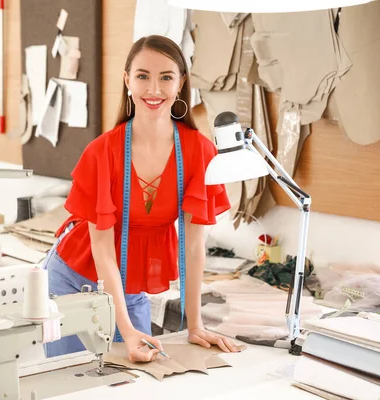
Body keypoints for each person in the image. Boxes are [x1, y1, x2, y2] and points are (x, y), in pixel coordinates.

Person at [42, 35, 239, 362]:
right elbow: (102, 248)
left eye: (166, 77)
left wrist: (195, 324)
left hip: (129, 289)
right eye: (143, 76)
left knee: (135, 379)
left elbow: (192, 245)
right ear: (127, 80)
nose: (154, 89)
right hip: (74, 283)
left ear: (181, 83)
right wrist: (126, 328)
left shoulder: (198, 152)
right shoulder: (102, 152)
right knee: (72, 381)